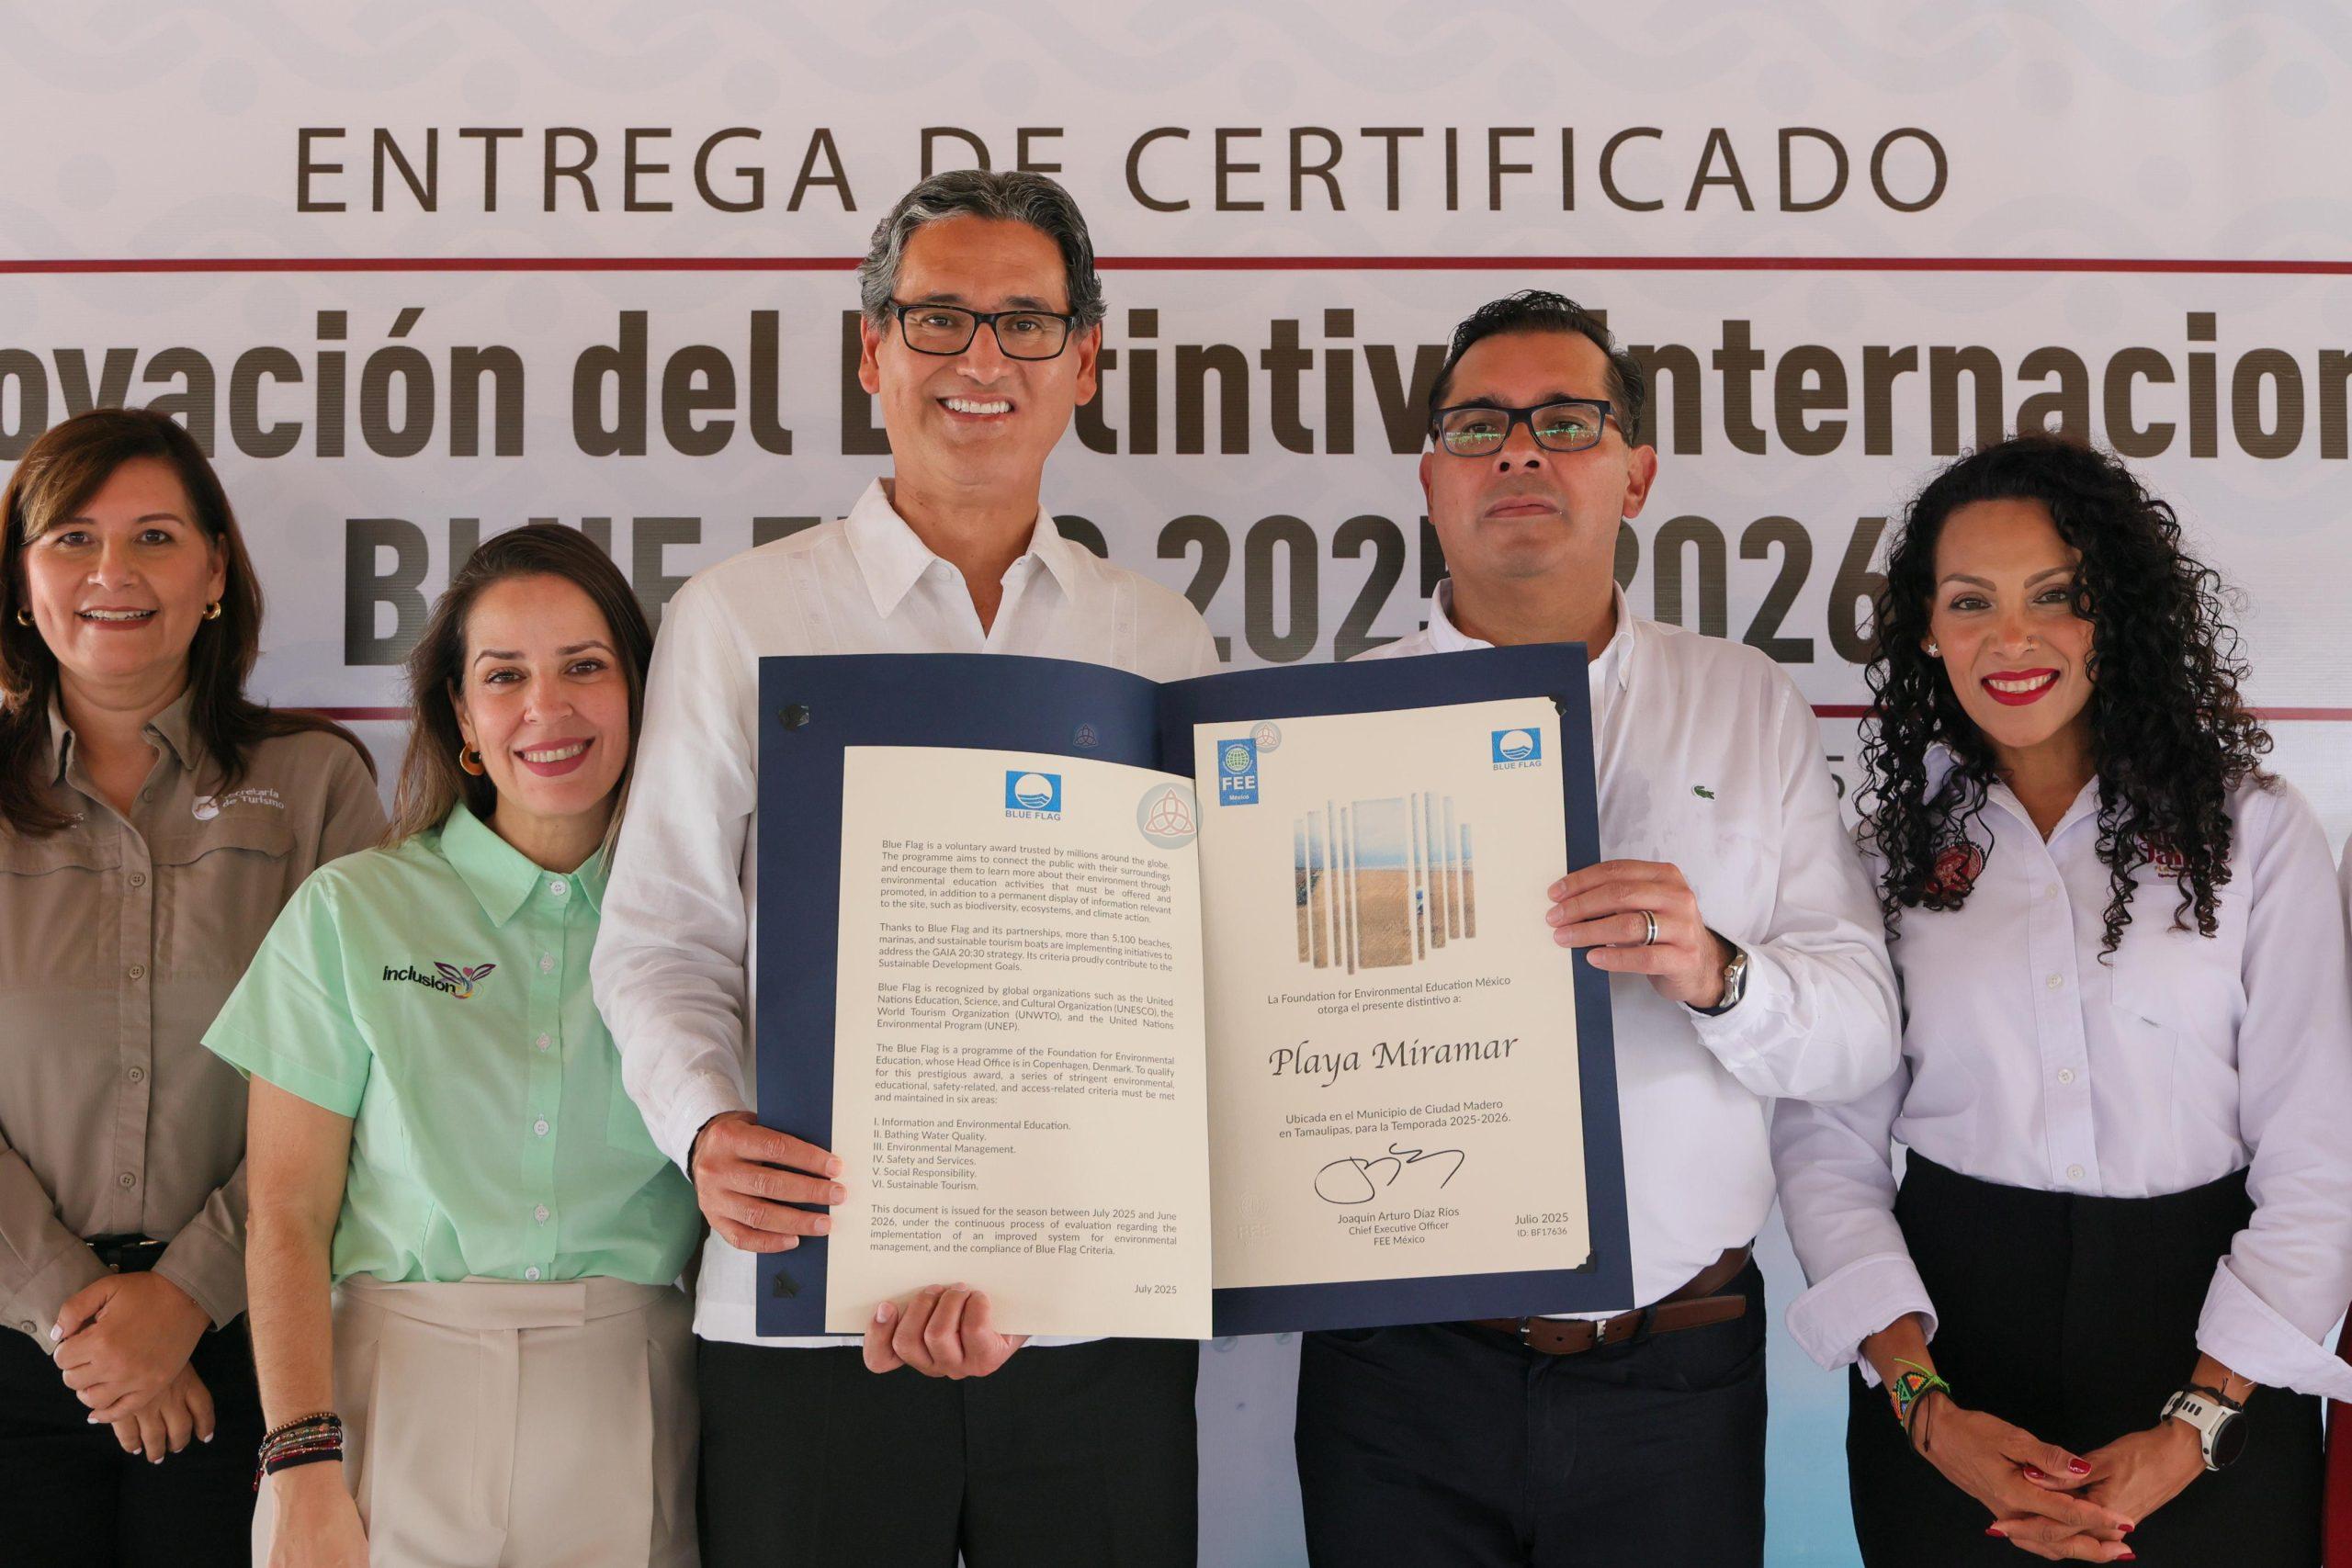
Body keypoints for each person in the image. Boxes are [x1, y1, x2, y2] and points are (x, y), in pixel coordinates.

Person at [594, 168, 1218, 1568]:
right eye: (937, 320)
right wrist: (707, 1130)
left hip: (1090, 1328)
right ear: (870, 352)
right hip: (807, 1312)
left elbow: (1198, 981)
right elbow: (661, 940)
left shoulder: (1160, 639)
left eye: (1025, 324)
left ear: (1087, 361)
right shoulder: (741, 616)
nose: (982, 359)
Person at [1291, 290, 1902, 1566]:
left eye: (1565, 420)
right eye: (1479, 426)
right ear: (1430, 479)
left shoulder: (1743, 702)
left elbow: (1858, 1036)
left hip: (1673, 1376)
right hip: (1397, 1376)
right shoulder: (1319, 739)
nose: (1519, 450)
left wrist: (1719, 970)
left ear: (1635, 473)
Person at [1772, 434, 2352, 1565]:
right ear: (1925, 632)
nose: (2011, 638)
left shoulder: (2255, 833)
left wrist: (2193, 1428)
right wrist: (1926, 1412)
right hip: (1951, 1369)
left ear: (2115, 612)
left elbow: (2317, 1160)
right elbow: (1825, 1146)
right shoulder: (1882, 858)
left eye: (2055, 596)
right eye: (1969, 601)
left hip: (2214, 1361)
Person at [204, 525, 702, 1566]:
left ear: (640, 692)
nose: (547, 709)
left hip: (632, 1390)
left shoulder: (711, 923)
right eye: (504, 676)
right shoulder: (352, 911)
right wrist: (299, 1468)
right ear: (463, 720)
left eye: (584, 667)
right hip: (389, 1397)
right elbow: (288, 1215)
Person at [0, 406, 384, 1566]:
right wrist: (81, 1312)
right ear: (21, 579)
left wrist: (184, 1298)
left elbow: (370, 1070)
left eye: (156, 537)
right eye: (71, 537)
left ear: (216, 570)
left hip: (252, 1335)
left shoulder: (316, 783)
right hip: (17, 1340)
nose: (112, 572)